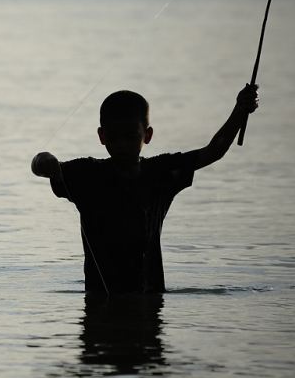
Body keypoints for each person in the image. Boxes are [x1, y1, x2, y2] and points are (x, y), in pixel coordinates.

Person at [31, 85, 259, 295]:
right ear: (102, 136)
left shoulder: (161, 172)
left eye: (131, 137)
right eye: (114, 137)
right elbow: (42, 166)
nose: (122, 145)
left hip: (150, 298)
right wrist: (45, 159)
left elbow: (213, 151)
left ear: (147, 135)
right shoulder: (87, 174)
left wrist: (240, 111)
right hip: (98, 298)